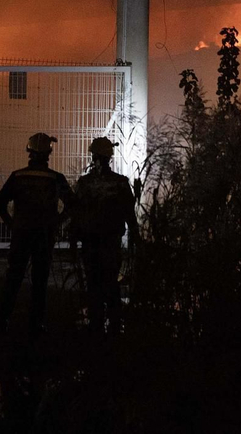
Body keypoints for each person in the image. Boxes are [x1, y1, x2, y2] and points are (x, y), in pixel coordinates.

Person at [0, 132, 74, 335]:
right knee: (40, 279)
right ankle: (36, 323)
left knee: (13, 277)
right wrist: (57, 221)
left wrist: (11, 223)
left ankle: (3, 319)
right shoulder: (56, 179)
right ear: (49, 152)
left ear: (29, 151)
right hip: (44, 235)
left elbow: (0, 201)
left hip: (21, 234)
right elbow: (72, 204)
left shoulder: (18, 176)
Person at [72, 135, 138, 333]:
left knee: (93, 283)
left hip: (91, 242)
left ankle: (96, 324)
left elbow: (76, 213)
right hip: (110, 242)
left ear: (93, 157)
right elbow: (130, 214)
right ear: (110, 157)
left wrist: (73, 240)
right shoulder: (120, 183)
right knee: (110, 282)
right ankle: (114, 324)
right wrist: (136, 239)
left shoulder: (85, 183)